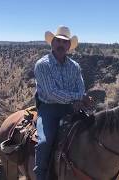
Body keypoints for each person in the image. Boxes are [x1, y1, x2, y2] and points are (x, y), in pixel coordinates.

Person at [33, 25, 92, 180]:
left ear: (68, 46)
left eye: (64, 42)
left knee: (93, 132)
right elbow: (51, 94)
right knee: (45, 142)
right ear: (52, 43)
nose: (61, 44)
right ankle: (40, 175)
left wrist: (80, 99)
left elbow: (81, 88)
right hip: (49, 109)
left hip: (71, 108)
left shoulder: (75, 66)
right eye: (58, 41)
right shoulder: (42, 65)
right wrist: (79, 97)